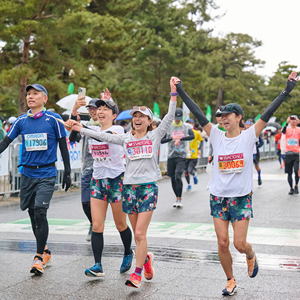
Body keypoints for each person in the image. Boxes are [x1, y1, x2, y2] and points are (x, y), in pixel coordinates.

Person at [173, 72, 298, 296]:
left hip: (241, 197)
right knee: (222, 243)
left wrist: (286, 90)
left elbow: (268, 112)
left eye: (227, 115)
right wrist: (180, 90)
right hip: (218, 196)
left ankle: (250, 254)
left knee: (239, 244)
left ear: (238, 117)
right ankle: (230, 280)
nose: (222, 119)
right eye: (220, 116)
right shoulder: (216, 136)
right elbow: (199, 114)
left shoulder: (249, 136)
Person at [65, 78, 178, 288]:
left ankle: (136, 273)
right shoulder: (126, 138)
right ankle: (140, 260)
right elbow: (99, 134)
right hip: (128, 188)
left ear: (149, 121)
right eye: (135, 116)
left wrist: (173, 93)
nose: (137, 119)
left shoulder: (154, 135)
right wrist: (79, 128)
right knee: (132, 234)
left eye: (142, 116)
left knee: (139, 233)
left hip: (146, 188)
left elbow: (170, 117)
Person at [0, 83, 71, 275]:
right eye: (28, 94)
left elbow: (63, 146)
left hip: (47, 173)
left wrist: (67, 172)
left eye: (35, 94)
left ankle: (38, 257)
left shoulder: (53, 119)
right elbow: (6, 142)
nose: (30, 97)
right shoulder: (21, 121)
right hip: (27, 174)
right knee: (32, 214)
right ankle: (45, 250)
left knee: (40, 211)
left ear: (44, 99)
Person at [69, 97, 101, 241]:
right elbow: (72, 138)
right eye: (90, 109)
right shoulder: (85, 125)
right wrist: (75, 116)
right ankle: (92, 222)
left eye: (95, 108)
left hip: (103, 170)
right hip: (88, 169)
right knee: (85, 202)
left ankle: (97, 226)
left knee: (99, 202)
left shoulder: (106, 125)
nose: (92, 111)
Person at [161, 108, 194, 207]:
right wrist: (172, 138)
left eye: (179, 118)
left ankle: (179, 199)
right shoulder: (169, 127)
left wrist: (181, 138)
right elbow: (162, 140)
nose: (177, 120)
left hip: (182, 155)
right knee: (172, 177)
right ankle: (176, 198)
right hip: (171, 155)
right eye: (176, 118)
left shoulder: (186, 126)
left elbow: (192, 136)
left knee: (177, 176)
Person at [282, 115, 300, 195]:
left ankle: (296, 185)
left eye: (294, 120)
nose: (293, 121)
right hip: (288, 153)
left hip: (296, 153)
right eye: (292, 120)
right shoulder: (287, 129)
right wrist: (287, 122)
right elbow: (283, 131)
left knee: (296, 171)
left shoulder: (299, 129)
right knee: (289, 173)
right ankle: (291, 188)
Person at [184, 118, 202, 191]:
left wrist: (199, 149)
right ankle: (188, 184)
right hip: (185, 155)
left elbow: (201, 141)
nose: (188, 125)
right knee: (185, 171)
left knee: (189, 170)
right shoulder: (184, 132)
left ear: (193, 124)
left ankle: (194, 174)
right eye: (187, 123)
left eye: (190, 123)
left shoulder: (196, 133)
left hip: (193, 155)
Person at [245, 120, 264, 185]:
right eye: (247, 125)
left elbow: (262, 142)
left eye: (249, 125)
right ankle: (247, 181)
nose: (248, 126)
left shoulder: (256, 133)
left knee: (256, 166)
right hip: (247, 152)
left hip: (255, 152)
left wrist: (256, 146)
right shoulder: (243, 133)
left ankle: (259, 177)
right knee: (247, 167)